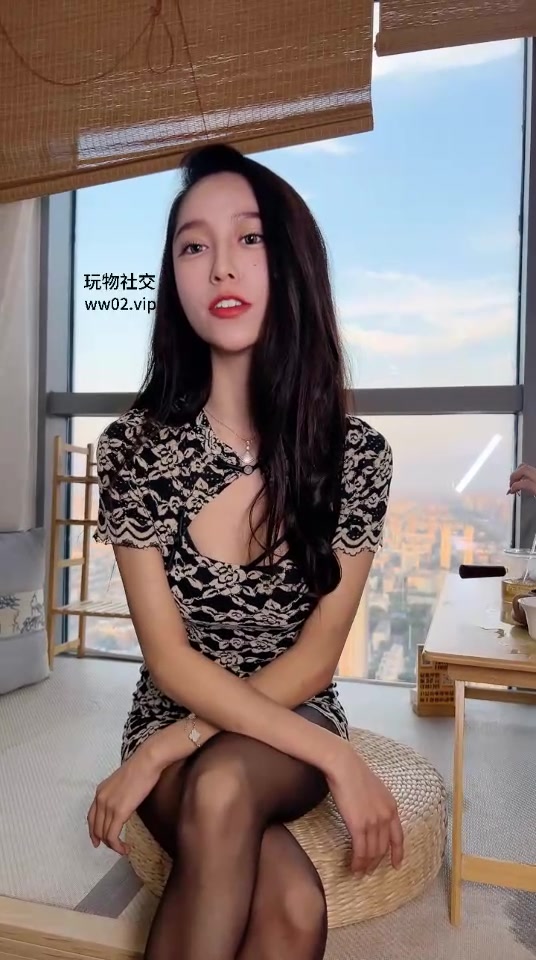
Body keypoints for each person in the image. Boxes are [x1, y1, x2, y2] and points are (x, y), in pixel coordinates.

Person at [86, 144, 403, 960]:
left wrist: (172, 751)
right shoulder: (134, 451)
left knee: (228, 781)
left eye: (249, 238)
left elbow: (316, 658)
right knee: (290, 907)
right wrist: (339, 763)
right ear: (175, 279)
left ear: (291, 260)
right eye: (193, 246)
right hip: (173, 712)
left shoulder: (356, 457)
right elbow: (169, 659)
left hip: (290, 720)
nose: (221, 266)